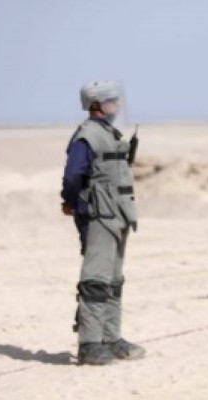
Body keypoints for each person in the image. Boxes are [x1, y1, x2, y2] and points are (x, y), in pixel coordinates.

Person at [61, 80, 145, 365]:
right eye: (111, 100)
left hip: (118, 214)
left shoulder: (110, 133)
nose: (117, 105)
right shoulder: (87, 136)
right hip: (98, 215)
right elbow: (73, 176)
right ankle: (90, 343)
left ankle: (111, 338)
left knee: (113, 280)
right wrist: (73, 202)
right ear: (96, 104)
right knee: (95, 280)